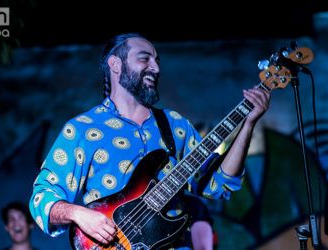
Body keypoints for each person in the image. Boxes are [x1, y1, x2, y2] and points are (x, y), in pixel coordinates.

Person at [29, 33, 270, 248]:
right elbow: (42, 198)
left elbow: (218, 184)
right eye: (145, 59)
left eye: (157, 61)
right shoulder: (82, 129)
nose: (155, 67)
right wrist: (78, 214)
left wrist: (248, 124)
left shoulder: (174, 125)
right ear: (115, 64)